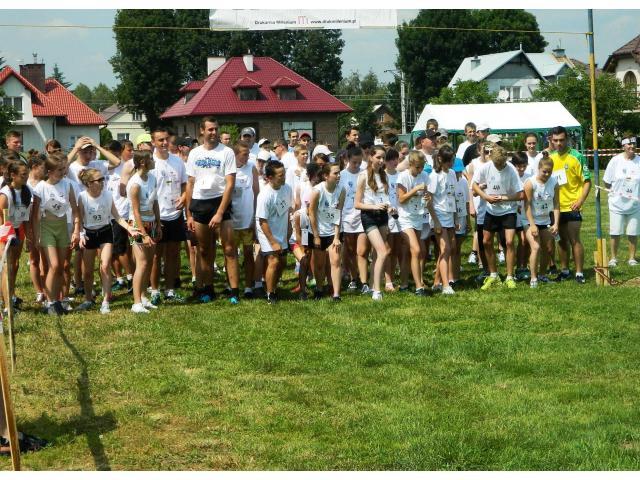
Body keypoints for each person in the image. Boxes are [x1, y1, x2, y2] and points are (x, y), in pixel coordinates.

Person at [185, 117, 239, 303]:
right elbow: (190, 184)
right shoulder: (194, 153)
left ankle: (234, 291)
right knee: (204, 250)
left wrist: (220, 213)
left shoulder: (227, 152)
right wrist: (189, 214)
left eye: (216, 129)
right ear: (202, 131)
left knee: (229, 249)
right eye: (210, 129)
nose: (214, 132)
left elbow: (230, 184)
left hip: (220, 202)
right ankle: (208, 289)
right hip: (200, 203)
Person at [76, 168, 137, 313]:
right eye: (99, 180)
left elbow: (117, 217)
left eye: (103, 179)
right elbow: (79, 218)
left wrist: (129, 228)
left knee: (104, 266)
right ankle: (88, 299)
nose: (103, 182)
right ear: (89, 183)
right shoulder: (82, 197)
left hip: (105, 232)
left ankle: (105, 301)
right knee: (88, 271)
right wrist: (80, 234)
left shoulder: (108, 195)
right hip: (89, 234)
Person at [32, 154, 81, 315]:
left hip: (62, 227)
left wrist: (76, 230)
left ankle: (56, 300)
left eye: (64, 169)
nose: (63, 172)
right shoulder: (40, 188)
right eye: (59, 170)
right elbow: (35, 216)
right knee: (53, 265)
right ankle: (49, 302)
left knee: (60, 267)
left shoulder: (68, 185)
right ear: (49, 171)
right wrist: (36, 236)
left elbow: (75, 210)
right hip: (46, 228)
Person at [472, 145, 524, 290]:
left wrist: (503, 198)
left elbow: (521, 194)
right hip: (491, 211)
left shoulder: (511, 169)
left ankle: (509, 276)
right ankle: (493, 274)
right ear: (491, 159)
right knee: (486, 241)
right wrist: (486, 197)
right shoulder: (485, 167)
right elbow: (474, 185)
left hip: (508, 211)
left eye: (502, 164)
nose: (500, 166)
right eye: (497, 164)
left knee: (509, 242)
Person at [148, 128, 188, 304]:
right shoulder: (150, 163)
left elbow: (185, 184)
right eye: (160, 140)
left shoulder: (177, 161)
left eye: (166, 139)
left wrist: (184, 197)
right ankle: (155, 291)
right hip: (157, 216)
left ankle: (170, 290)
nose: (164, 143)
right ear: (153, 143)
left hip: (175, 214)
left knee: (173, 254)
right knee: (156, 256)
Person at [549, 126, 591, 283]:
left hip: (573, 206)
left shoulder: (577, 156)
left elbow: (587, 181)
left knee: (574, 239)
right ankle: (565, 271)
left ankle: (579, 273)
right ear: (551, 141)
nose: (559, 143)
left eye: (561, 140)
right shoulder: (550, 158)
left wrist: (580, 201)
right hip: (556, 207)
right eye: (555, 140)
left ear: (566, 139)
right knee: (561, 240)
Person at [355, 145, 392, 301]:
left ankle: (372, 286)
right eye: (378, 157)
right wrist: (374, 206)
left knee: (378, 254)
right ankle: (377, 291)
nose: (381, 160)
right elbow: (357, 204)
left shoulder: (384, 176)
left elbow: (386, 199)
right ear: (370, 157)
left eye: (383, 157)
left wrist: (390, 207)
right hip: (369, 216)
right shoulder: (363, 176)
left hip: (383, 216)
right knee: (383, 251)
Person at [127, 150, 161, 313]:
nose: (154, 161)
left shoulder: (152, 178)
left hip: (152, 222)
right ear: (142, 162)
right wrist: (144, 234)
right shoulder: (135, 184)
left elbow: (155, 203)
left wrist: (158, 224)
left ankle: (144, 297)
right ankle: (136, 303)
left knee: (149, 261)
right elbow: (136, 212)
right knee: (142, 263)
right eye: (151, 159)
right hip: (137, 226)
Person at [255, 160, 293, 304]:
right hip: (266, 231)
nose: (284, 177)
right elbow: (262, 221)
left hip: (281, 231)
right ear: (270, 178)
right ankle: (270, 295)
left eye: (284, 174)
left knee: (282, 262)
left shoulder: (287, 189)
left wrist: (288, 229)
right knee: (274, 260)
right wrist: (273, 242)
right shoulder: (265, 195)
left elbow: (287, 210)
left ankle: (272, 286)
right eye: (280, 175)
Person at [308, 163, 345, 301]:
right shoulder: (317, 191)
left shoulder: (341, 190)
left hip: (333, 231)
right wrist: (316, 236)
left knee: (336, 261)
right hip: (318, 232)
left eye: (339, 172)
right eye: (335, 173)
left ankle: (336, 294)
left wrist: (336, 237)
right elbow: (311, 213)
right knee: (319, 264)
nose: (339, 175)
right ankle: (319, 289)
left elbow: (338, 213)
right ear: (325, 176)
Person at [603, 135, 640, 267]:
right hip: (616, 204)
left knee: (633, 232)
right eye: (629, 144)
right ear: (623, 146)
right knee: (615, 232)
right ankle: (613, 258)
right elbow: (607, 182)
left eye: (634, 144)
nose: (632, 146)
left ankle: (632, 258)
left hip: (634, 205)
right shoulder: (615, 161)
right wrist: (616, 193)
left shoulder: (639, 161)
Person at [0, 161, 33, 310]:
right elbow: (2, 220)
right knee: (7, 268)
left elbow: (26, 217)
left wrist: (29, 237)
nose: (26, 177)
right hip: (5, 233)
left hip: (18, 230)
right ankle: (7, 305)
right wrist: (4, 240)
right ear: (13, 175)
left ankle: (10, 296)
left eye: (27, 174)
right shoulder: (5, 194)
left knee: (14, 265)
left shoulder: (26, 190)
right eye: (23, 174)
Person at [524, 153, 560, 288]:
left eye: (549, 172)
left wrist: (555, 223)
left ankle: (542, 275)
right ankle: (533, 278)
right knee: (536, 247)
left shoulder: (554, 183)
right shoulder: (530, 183)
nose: (547, 174)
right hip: (530, 220)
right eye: (544, 171)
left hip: (546, 220)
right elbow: (527, 205)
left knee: (548, 249)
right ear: (538, 169)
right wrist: (532, 225)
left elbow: (556, 204)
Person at [397, 151, 430, 296]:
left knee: (411, 252)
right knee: (416, 250)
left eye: (422, 166)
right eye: (417, 167)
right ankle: (418, 287)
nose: (420, 170)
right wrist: (415, 189)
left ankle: (404, 284)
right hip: (405, 218)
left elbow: (426, 195)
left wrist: (427, 198)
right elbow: (401, 199)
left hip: (418, 216)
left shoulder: (424, 176)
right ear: (410, 164)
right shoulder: (403, 176)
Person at [426, 145, 458, 294]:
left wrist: (455, 218)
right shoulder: (434, 176)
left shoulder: (452, 173)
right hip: (438, 216)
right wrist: (436, 221)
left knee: (447, 250)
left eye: (452, 161)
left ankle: (436, 282)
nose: (450, 164)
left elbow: (453, 196)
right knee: (445, 249)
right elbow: (429, 201)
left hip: (450, 215)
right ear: (440, 159)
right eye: (447, 161)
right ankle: (446, 286)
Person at [230, 141, 260, 299]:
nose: (248, 156)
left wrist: (255, 217)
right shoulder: (228, 169)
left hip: (247, 220)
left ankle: (248, 286)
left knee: (248, 253)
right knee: (231, 254)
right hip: (231, 221)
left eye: (248, 153)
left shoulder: (252, 168)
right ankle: (232, 285)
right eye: (245, 154)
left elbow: (257, 193)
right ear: (235, 154)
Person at [339, 146, 369, 292]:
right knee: (350, 251)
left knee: (362, 251)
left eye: (359, 162)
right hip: (347, 217)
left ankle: (364, 282)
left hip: (363, 215)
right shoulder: (341, 176)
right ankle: (353, 278)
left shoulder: (365, 174)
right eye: (354, 162)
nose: (357, 165)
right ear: (347, 160)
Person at [107, 139, 134, 293]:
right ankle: (120, 278)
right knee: (112, 249)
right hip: (106, 214)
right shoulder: (103, 167)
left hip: (121, 214)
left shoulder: (126, 167)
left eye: (113, 152)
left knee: (121, 249)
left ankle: (131, 277)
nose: (110, 155)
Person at [383, 148, 408, 291]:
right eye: (391, 159)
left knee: (397, 250)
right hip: (386, 216)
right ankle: (387, 281)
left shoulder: (401, 176)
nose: (394, 162)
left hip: (400, 216)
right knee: (387, 249)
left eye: (396, 159)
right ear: (386, 161)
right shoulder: (382, 176)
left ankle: (392, 279)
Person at [26, 154, 47, 303]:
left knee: (45, 260)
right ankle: (39, 291)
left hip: (46, 225)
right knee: (34, 259)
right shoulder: (25, 184)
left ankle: (47, 288)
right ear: (34, 167)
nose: (46, 171)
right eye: (43, 168)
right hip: (30, 226)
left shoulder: (46, 183)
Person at [451, 157, 470, 285]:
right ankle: (449, 277)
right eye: (455, 171)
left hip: (462, 218)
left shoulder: (464, 182)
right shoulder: (449, 182)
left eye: (459, 171)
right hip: (451, 220)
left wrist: (468, 220)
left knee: (457, 249)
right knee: (451, 248)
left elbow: (467, 202)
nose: (458, 174)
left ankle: (456, 276)